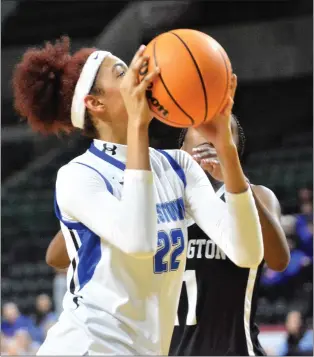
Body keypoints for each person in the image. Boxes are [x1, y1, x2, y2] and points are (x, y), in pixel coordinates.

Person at [12, 36, 264, 355]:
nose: (137, 73)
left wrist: (227, 151)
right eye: (121, 72)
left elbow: (247, 253)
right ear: (95, 103)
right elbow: (139, 240)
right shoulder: (78, 175)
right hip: (88, 347)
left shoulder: (178, 165)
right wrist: (138, 128)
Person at [169, 116, 290, 356]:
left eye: (223, 132)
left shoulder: (259, 196)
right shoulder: (163, 203)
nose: (212, 130)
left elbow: (279, 260)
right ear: (181, 150)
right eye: (202, 126)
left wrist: (235, 180)